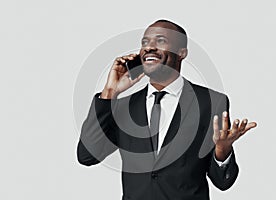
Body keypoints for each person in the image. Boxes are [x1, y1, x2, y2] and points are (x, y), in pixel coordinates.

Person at [77, 19, 257, 200]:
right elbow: (87, 156)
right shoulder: (124, 107)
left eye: (160, 41)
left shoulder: (211, 102)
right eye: (144, 43)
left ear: (182, 53)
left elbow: (223, 182)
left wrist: (222, 149)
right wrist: (110, 92)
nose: (149, 47)